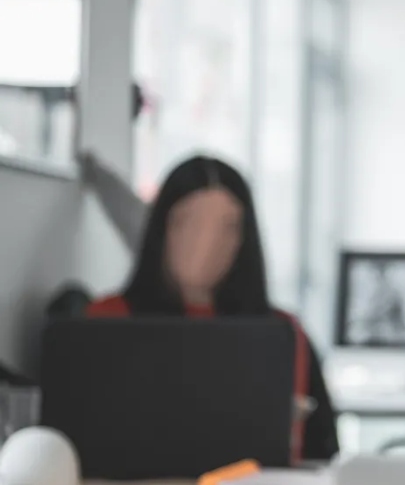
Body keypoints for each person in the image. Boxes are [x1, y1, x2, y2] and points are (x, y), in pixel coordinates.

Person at [84, 155, 339, 461]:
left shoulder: (285, 334)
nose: (205, 244)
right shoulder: (106, 323)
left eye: (226, 227)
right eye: (188, 222)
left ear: (243, 238)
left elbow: (322, 454)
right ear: (162, 227)